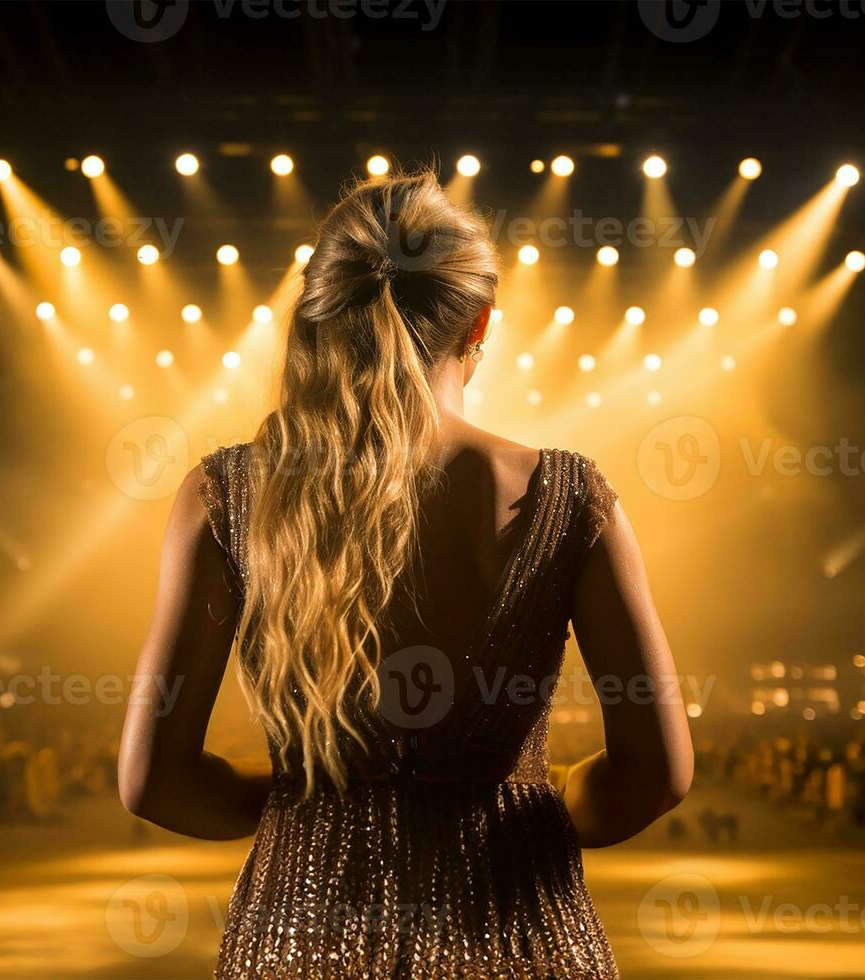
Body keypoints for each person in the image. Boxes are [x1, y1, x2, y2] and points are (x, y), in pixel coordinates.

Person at [119, 171, 693, 977]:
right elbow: (658, 774)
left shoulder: (226, 494)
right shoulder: (568, 498)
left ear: (320, 311)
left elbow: (153, 783)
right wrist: (531, 803)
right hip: (517, 938)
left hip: (303, 939)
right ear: (480, 322)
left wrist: (310, 804)